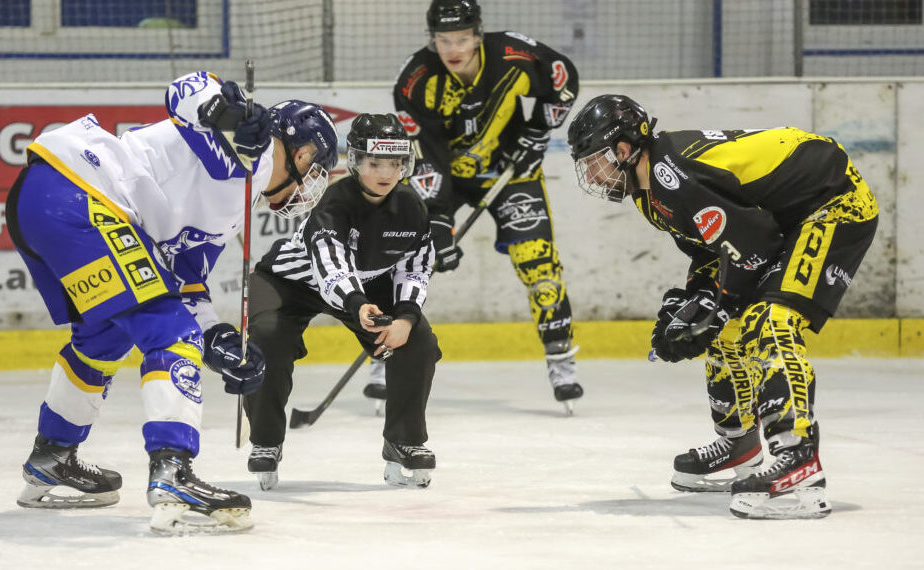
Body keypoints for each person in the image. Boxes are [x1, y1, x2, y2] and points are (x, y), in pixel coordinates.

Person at [4, 70, 338, 534]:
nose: (309, 187)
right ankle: (173, 473)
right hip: (84, 197)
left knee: (102, 337)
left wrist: (219, 337)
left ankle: (52, 456)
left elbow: (185, 281)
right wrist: (230, 110)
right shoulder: (251, 154)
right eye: (316, 170)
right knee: (171, 334)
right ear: (302, 154)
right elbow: (187, 88)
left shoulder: (235, 201)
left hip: (41, 199)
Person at [566, 94, 878, 519]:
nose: (592, 173)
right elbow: (714, 249)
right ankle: (739, 443)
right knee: (722, 326)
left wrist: (718, 302)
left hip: (834, 204)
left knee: (771, 321)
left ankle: (799, 459)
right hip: (782, 219)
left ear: (623, 150)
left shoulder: (671, 177)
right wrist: (697, 298)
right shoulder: (647, 191)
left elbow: (754, 243)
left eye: (594, 160)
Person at [388, 0, 583, 413]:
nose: (453, 48)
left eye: (461, 38)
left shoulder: (513, 54)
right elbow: (427, 155)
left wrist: (538, 131)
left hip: (512, 170)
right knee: (406, 254)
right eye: (443, 40)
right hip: (446, 178)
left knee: (537, 261)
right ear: (432, 41)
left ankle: (560, 358)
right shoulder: (415, 81)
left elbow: (563, 78)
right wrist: (438, 219)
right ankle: (383, 348)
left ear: (478, 35)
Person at [243, 113, 441, 490]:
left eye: (395, 163)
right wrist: (356, 303)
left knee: (418, 343)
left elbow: (414, 269)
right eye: (375, 163)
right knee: (267, 339)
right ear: (356, 162)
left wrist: (406, 317)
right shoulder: (335, 201)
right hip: (291, 281)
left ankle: (403, 439)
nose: (386, 173)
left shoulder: (412, 207)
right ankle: (266, 441)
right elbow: (330, 265)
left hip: (361, 285)